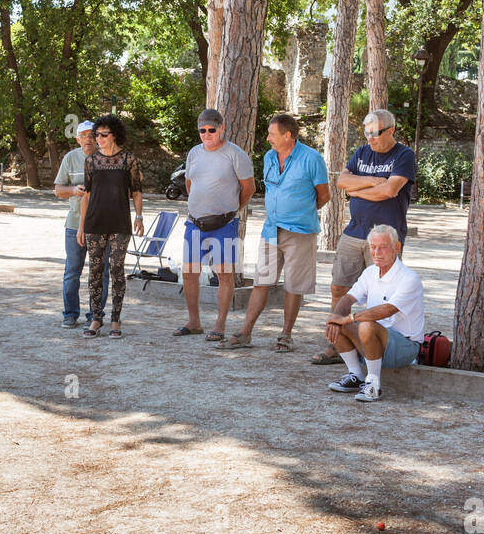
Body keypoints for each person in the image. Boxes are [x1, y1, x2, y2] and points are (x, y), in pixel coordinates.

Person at [313, 108, 417, 365]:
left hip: (384, 236)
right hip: (354, 232)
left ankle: (374, 350)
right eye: (366, 133)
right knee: (339, 287)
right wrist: (372, 181)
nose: (370, 138)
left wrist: (357, 190)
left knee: (380, 294)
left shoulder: (404, 155)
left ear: (391, 130)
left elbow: (391, 190)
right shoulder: (361, 152)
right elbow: (342, 182)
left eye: (376, 133)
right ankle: (336, 344)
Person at [218, 114, 329, 351]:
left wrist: (301, 212)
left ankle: (286, 336)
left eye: (272, 134)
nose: (268, 138)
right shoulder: (269, 157)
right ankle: (245, 333)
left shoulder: (312, 159)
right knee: (261, 281)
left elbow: (324, 195)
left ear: (288, 135)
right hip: (271, 229)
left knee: (293, 285)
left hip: (300, 231)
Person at [174, 108, 255, 341]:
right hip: (195, 223)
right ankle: (194, 322)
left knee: (224, 275)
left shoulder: (235, 154)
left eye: (212, 130)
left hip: (224, 224)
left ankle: (219, 325)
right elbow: (190, 184)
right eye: (202, 130)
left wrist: (230, 210)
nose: (207, 134)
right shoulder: (194, 153)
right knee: (189, 273)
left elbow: (248, 188)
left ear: (221, 128)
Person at [324, 224, 425, 402]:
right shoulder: (370, 272)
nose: (377, 252)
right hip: (373, 341)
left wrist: (347, 318)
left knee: (365, 325)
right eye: (373, 247)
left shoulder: (409, 278)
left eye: (383, 247)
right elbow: (348, 298)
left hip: (405, 347)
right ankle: (356, 376)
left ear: (397, 247)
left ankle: (373, 384)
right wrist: (335, 318)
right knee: (339, 322)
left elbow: (386, 310)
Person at [78, 114, 144, 339]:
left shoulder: (129, 160)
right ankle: (96, 318)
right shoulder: (91, 161)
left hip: (120, 223)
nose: (98, 138)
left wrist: (139, 217)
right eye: (96, 134)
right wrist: (81, 228)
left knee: (116, 270)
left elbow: (136, 191)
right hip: (94, 223)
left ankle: (116, 319)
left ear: (115, 135)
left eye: (103, 135)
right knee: (95, 272)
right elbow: (86, 196)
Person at [54, 120, 109, 328]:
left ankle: (95, 316)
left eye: (91, 134)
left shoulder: (107, 158)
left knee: (100, 272)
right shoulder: (70, 158)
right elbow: (58, 190)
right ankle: (70, 314)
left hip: (102, 226)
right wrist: (73, 191)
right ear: (77, 139)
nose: (88, 138)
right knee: (72, 271)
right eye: (83, 135)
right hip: (74, 224)